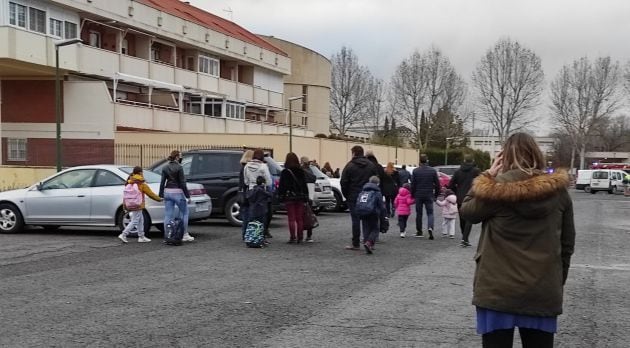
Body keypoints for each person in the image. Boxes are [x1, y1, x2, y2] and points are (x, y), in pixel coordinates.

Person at [460, 132, 575, 348]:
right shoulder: (559, 192)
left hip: (497, 289)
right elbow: (567, 244)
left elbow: (467, 212)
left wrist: (488, 174)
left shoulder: (496, 189)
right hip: (542, 288)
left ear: (504, 157)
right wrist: (556, 281)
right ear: (536, 154)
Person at [340, 145, 379, 250]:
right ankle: (369, 242)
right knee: (368, 220)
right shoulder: (371, 165)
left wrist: (346, 195)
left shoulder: (349, 166)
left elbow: (343, 182)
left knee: (355, 220)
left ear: (353, 153)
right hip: (368, 196)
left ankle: (355, 243)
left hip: (353, 196)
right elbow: (376, 179)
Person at [118, 166, 163, 243]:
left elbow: (125, 195)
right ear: (140, 173)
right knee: (135, 220)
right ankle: (123, 234)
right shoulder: (141, 182)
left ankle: (141, 236)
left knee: (140, 220)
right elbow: (150, 194)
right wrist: (159, 199)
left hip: (131, 203)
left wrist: (125, 206)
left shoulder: (129, 181)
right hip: (138, 204)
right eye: (142, 172)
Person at [159, 150, 194, 242]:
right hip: (177, 192)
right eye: (181, 156)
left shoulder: (165, 167)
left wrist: (161, 194)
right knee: (184, 212)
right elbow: (182, 183)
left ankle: (167, 236)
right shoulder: (179, 167)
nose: (182, 158)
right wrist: (187, 196)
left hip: (167, 192)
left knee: (168, 215)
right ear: (177, 157)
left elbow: (162, 182)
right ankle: (185, 234)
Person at [448, 155, 481, 247]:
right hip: (472, 197)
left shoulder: (458, 172)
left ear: (464, 160)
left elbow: (450, 185)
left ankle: (464, 237)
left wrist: (456, 192)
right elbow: (483, 182)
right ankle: (465, 239)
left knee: (462, 219)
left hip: (460, 197)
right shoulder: (476, 171)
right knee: (469, 218)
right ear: (473, 160)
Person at [277, 152, 309, 243]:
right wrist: (306, 196)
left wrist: (280, 196)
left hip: (290, 197)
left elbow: (282, 186)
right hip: (300, 197)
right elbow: (304, 185)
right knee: (299, 218)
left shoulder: (285, 172)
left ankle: (292, 237)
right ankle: (300, 237)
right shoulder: (301, 171)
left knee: (291, 218)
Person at [243, 149, 273, 238]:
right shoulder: (263, 166)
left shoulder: (247, 166)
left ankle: (251, 235)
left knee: (252, 213)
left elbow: (246, 182)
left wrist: (252, 183)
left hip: (251, 191)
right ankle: (261, 236)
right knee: (262, 215)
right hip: (261, 192)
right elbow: (269, 182)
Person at [410, 154, 440, 239]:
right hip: (429, 194)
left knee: (419, 214)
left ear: (420, 161)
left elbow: (413, 185)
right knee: (430, 213)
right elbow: (437, 184)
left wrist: (412, 195)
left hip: (418, 195)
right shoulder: (432, 171)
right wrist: (436, 195)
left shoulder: (416, 171)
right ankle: (430, 227)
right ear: (427, 161)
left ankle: (419, 231)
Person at [358, 176, 386, 254]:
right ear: (377, 183)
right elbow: (381, 205)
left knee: (366, 228)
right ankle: (369, 243)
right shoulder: (377, 192)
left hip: (363, 212)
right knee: (375, 229)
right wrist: (384, 214)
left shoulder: (363, 191)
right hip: (373, 213)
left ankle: (367, 243)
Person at [301, 156, 317, 242]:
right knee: (309, 214)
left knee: (301, 216)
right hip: (310, 196)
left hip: (303, 195)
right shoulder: (310, 170)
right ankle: (309, 236)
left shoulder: (301, 171)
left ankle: (300, 234)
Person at [239, 150, 254, 240]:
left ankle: (244, 233)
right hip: (249, 192)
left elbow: (241, 182)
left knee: (245, 214)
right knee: (250, 214)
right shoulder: (249, 167)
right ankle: (248, 233)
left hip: (243, 192)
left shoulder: (242, 167)